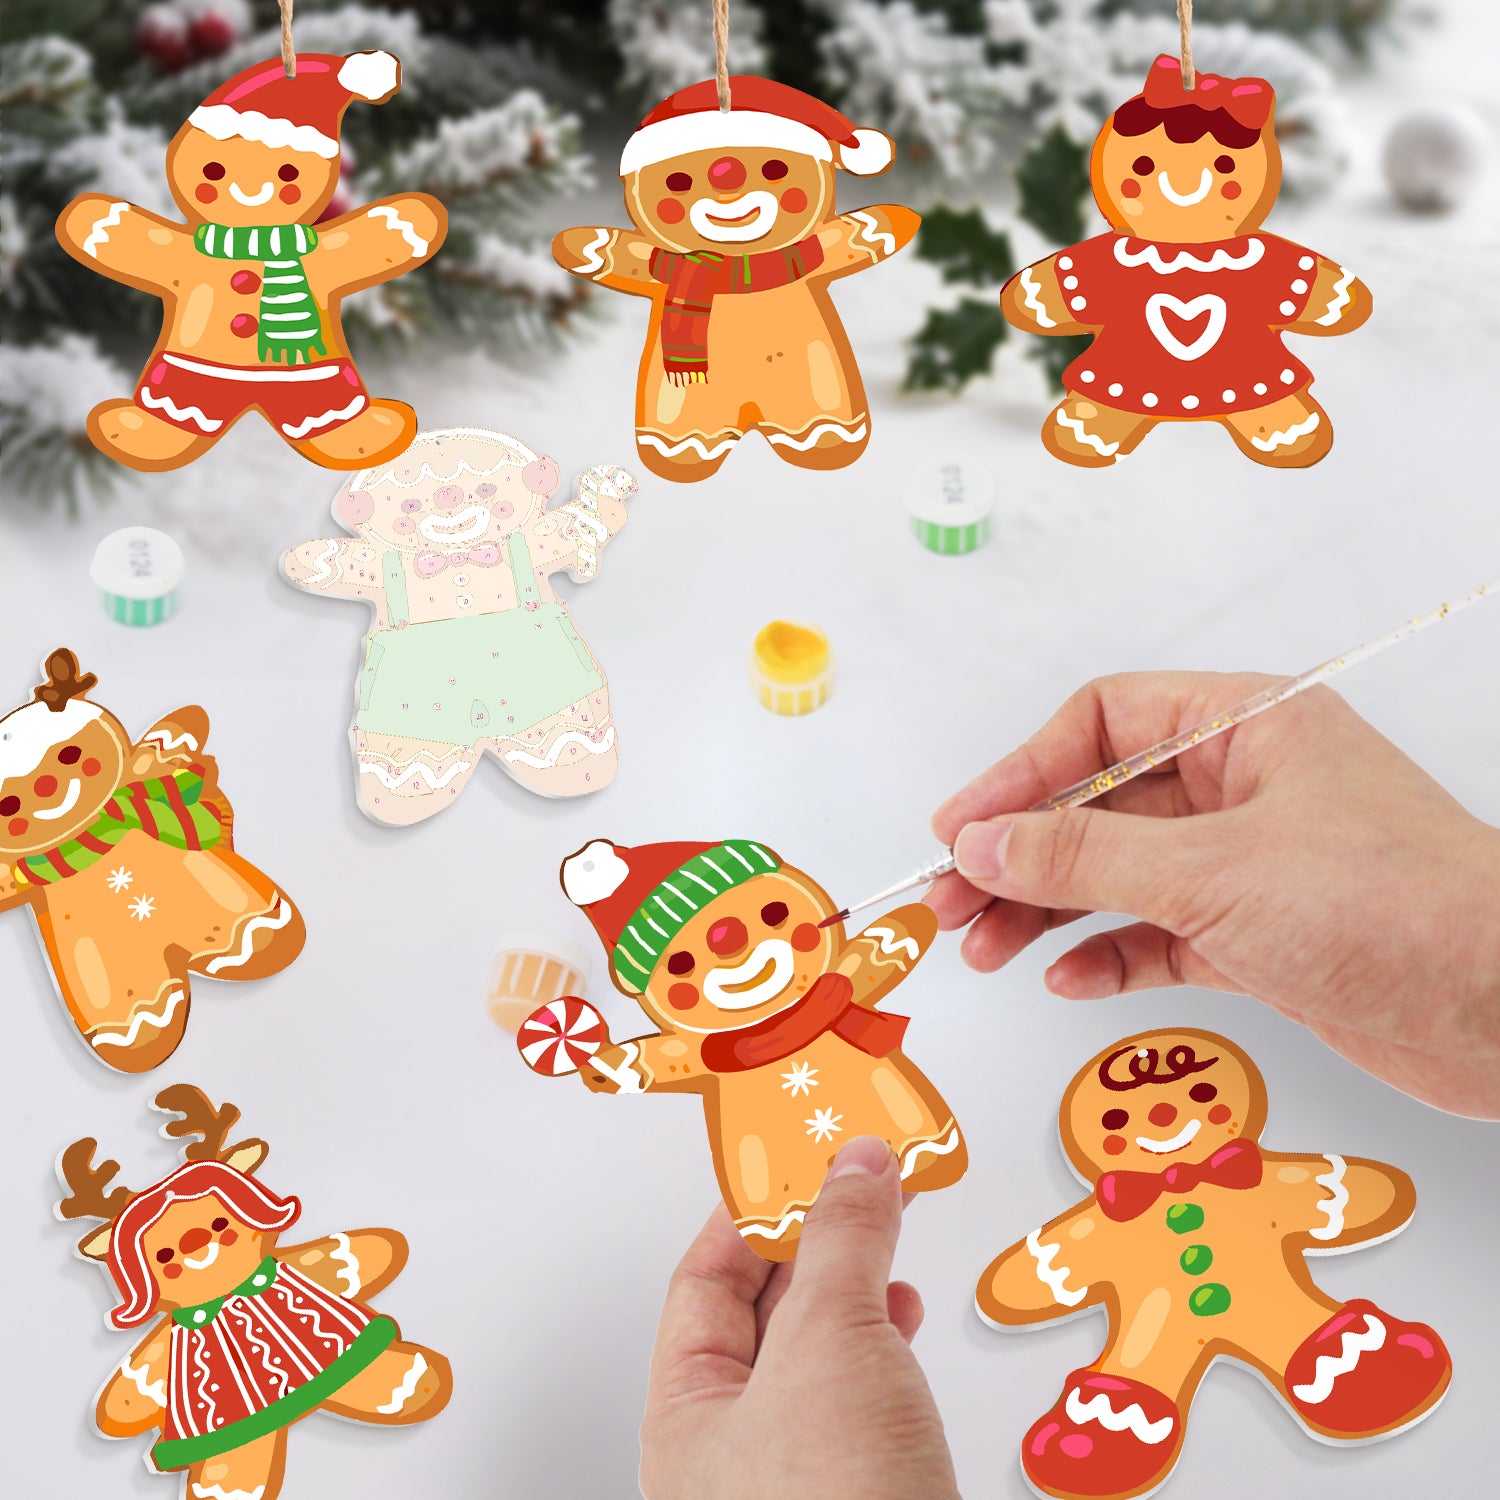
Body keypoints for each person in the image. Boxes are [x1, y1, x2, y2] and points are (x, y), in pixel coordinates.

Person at [639, 674, 1499, 1498]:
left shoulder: (1246, 1182)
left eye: (1190, 1102)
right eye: (1134, 1115)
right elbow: (1040, 1273)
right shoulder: (1112, 1211)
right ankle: (1122, 1421)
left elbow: (1338, 1193)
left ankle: (1340, 1363)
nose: (1163, 1116)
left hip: (1269, 1286)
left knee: (1288, 1329)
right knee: (1142, 1364)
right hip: (823, 1162)